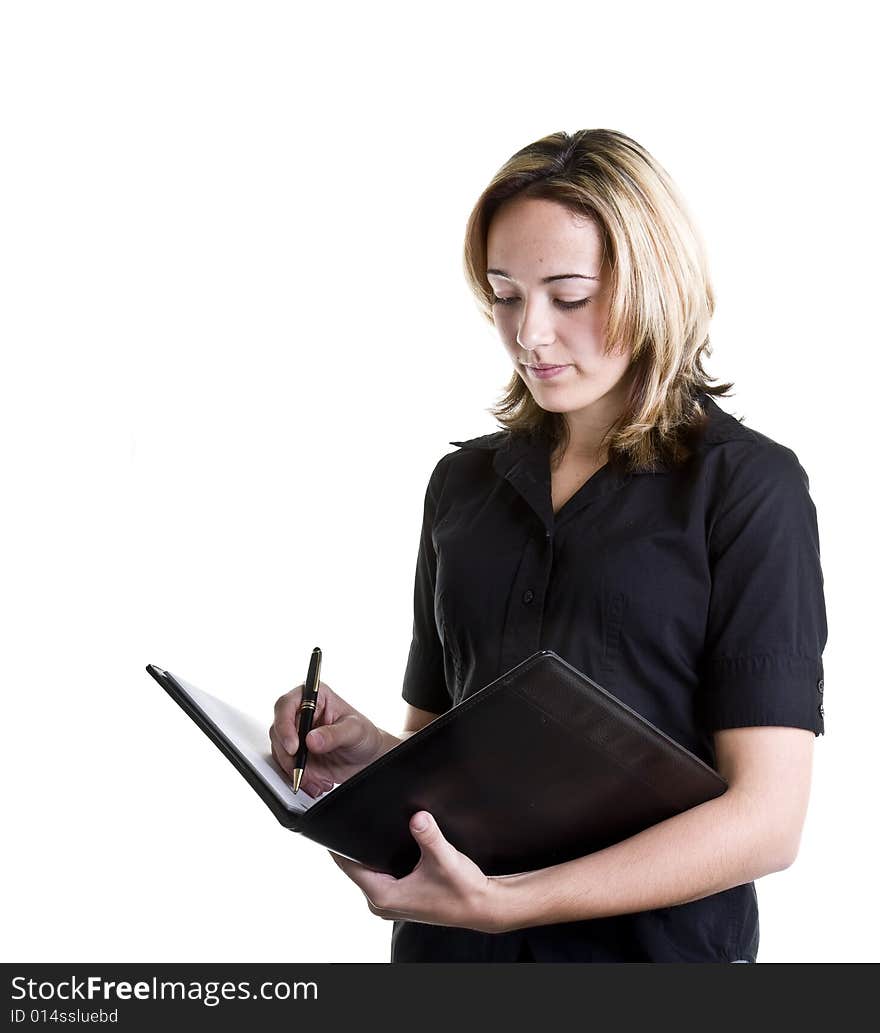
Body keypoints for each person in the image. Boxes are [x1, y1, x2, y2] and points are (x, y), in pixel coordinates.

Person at [269, 128, 827, 963]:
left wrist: (514, 903)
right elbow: (454, 768)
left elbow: (767, 820)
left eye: (568, 296)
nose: (529, 332)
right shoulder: (462, 486)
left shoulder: (748, 490)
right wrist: (366, 755)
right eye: (504, 293)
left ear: (654, 286)